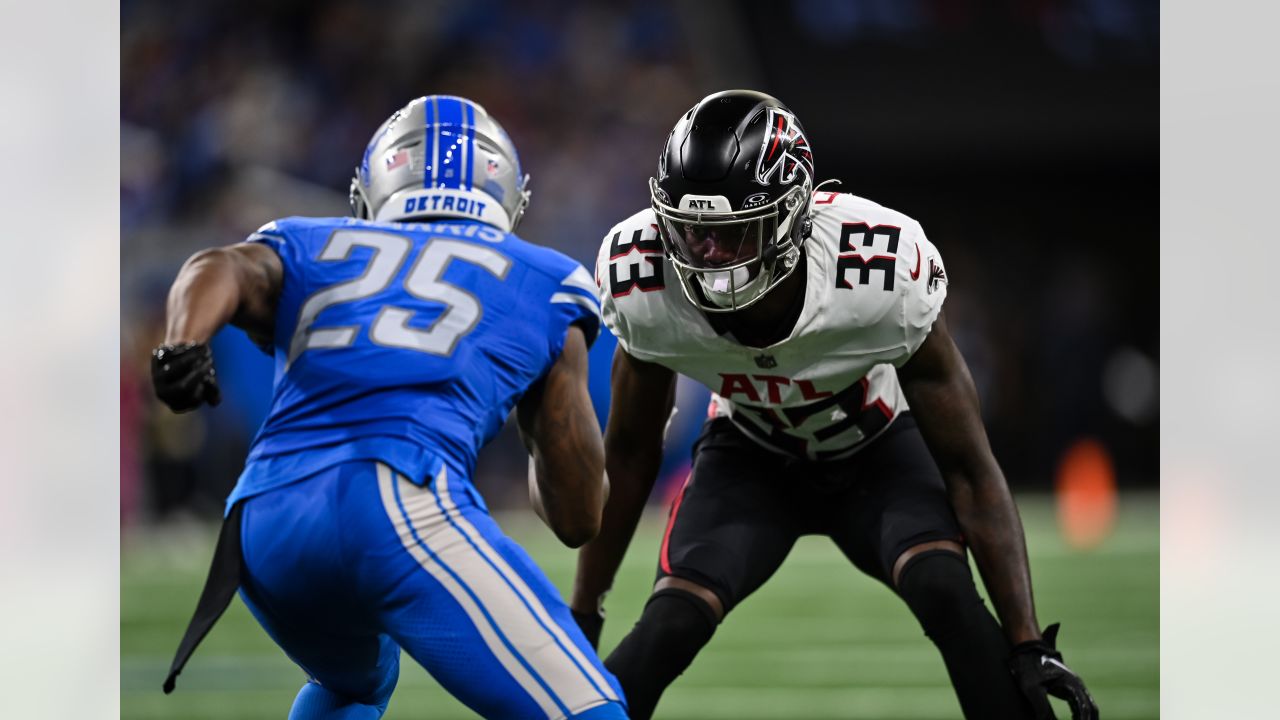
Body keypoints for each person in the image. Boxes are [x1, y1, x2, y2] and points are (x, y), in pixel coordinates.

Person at [570, 89, 1098, 720]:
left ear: (792, 214)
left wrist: (1028, 642)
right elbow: (628, 455)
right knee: (669, 625)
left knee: (945, 588)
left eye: (732, 234)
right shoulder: (643, 277)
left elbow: (969, 468)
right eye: (691, 232)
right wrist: (583, 618)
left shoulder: (876, 269)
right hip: (750, 456)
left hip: (876, 448)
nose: (707, 256)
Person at [151, 95, 628, 720]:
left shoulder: (309, 238)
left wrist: (181, 344)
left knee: (352, 687)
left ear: (371, 189)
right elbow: (577, 516)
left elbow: (218, 266)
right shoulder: (546, 277)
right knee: (592, 710)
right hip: (395, 497)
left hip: (264, 518)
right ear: (508, 194)